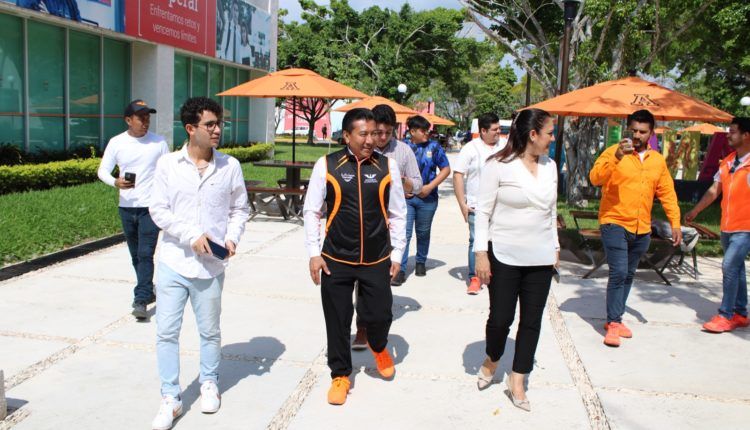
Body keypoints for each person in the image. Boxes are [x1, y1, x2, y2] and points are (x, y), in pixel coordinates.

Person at [149, 97, 249, 430]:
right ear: (191, 128)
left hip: (210, 267)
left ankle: (209, 382)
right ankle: (170, 397)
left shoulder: (230, 166)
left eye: (220, 123)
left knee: (209, 331)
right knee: (166, 332)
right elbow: (158, 209)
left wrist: (232, 237)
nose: (218, 129)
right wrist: (190, 233)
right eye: (210, 124)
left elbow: (239, 209)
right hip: (174, 262)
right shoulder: (168, 165)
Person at [303, 108, 406, 406]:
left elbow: (398, 213)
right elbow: (312, 211)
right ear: (347, 135)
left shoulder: (387, 166)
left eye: (374, 133)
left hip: (376, 258)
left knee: (380, 315)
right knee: (337, 319)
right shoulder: (327, 165)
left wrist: (397, 253)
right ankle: (340, 374)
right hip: (335, 258)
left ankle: (378, 345)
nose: (370, 140)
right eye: (363, 134)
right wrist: (314, 253)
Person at [474, 108, 559, 412]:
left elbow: (551, 211)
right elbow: (483, 212)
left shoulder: (551, 167)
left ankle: (518, 378)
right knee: (500, 319)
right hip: (504, 255)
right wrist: (481, 254)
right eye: (549, 133)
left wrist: (555, 247)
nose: (553, 138)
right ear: (533, 134)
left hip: (541, 256)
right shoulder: (498, 165)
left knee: (532, 321)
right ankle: (493, 357)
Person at [589, 109, 682, 347]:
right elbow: (595, 178)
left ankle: (615, 318)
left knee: (629, 274)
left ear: (651, 133)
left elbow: (667, 193)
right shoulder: (613, 152)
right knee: (619, 272)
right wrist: (617, 157)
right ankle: (614, 322)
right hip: (614, 221)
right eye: (634, 130)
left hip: (642, 227)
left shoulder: (657, 161)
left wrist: (675, 222)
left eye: (642, 132)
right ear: (627, 129)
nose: (637, 135)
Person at [350, 104, 423, 350]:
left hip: (392, 223)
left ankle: (378, 326)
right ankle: (362, 327)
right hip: (365, 224)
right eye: (377, 132)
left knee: (383, 280)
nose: (381, 138)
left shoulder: (403, 152)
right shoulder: (360, 148)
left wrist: (402, 181)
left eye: (387, 133)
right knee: (361, 279)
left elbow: (418, 184)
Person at [97, 99, 169, 320]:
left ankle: (141, 299)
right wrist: (115, 182)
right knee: (136, 255)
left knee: (146, 254)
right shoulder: (117, 142)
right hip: (127, 207)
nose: (145, 121)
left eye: (148, 117)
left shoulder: (159, 143)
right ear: (128, 120)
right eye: (141, 117)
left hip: (151, 207)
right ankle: (147, 288)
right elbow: (102, 171)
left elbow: (168, 173)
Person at [685, 117, 750, 333]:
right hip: (727, 226)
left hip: (746, 229)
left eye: (732, 131)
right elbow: (714, 190)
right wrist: (695, 210)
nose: (728, 135)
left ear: (746, 135)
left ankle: (725, 315)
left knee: (729, 266)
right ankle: (740, 313)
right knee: (736, 268)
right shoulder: (728, 161)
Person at [453, 112, 505, 295]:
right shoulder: (470, 148)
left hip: (500, 206)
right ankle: (475, 277)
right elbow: (458, 175)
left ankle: (495, 274)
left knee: (498, 241)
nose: (498, 132)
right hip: (477, 205)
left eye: (499, 128)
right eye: (494, 129)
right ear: (483, 131)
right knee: (476, 240)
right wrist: (462, 203)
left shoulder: (505, 146)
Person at [396, 115, 450, 283]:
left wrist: (429, 187)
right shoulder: (402, 147)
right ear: (412, 131)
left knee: (423, 232)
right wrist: (402, 189)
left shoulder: (434, 147)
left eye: (428, 130)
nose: (427, 133)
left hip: (428, 198)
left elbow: (445, 169)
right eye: (423, 130)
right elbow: (394, 170)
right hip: (406, 198)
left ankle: (421, 261)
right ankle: (400, 269)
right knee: (404, 233)